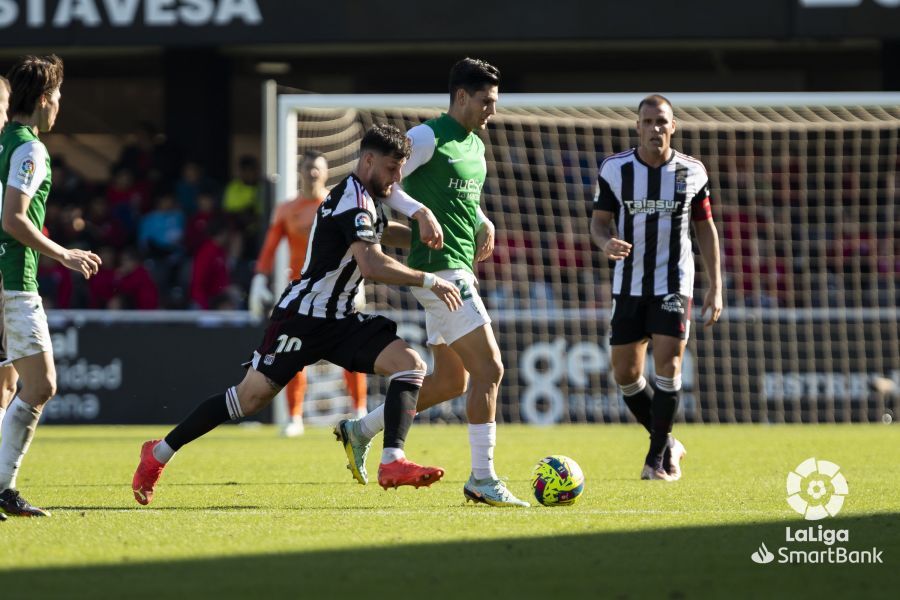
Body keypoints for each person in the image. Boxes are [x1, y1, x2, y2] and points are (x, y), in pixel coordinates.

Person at [132, 124, 459, 505]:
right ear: (368, 160)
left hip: (339, 318)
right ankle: (157, 454)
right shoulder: (352, 199)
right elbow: (371, 264)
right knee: (248, 399)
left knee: (410, 365)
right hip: (302, 317)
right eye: (391, 168)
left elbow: (386, 235)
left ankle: (393, 460)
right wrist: (429, 280)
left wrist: (432, 232)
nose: (397, 178)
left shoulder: (367, 200)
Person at [334, 58, 530, 508]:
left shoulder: (476, 145)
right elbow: (387, 185)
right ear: (461, 96)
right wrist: (418, 212)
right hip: (440, 271)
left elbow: (461, 197)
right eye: (486, 102)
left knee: (450, 383)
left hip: (459, 264)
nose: (491, 111)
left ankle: (358, 430)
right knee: (491, 369)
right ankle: (483, 478)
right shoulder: (426, 136)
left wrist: (483, 219)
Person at [589, 94, 723, 481]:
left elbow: (705, 228)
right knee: (625, 375)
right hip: (628, 285)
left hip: (673, 283)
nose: (655, 129)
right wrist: (604, 242)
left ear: (673, 127)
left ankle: (655, 460)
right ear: (637, 127)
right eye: (647, 122)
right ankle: (669, 443)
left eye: (661, 122)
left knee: (669, 362)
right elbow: (598, 223)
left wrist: (716, 286)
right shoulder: (615, 169)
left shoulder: (692, 172)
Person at [0, 55, 102, 517]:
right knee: (41, 386)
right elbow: (14, 218)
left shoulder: (3, 142)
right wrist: (65, 254)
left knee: (7, 386)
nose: (59, 106)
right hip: (13, 282)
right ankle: (3, 487)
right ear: (43, 99)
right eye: (58, 97)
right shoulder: (29, 149)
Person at [249, 150, 368, 437]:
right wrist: (258, 280)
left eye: (318, 168)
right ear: (299, 171)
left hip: (338, 290)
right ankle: (294, 417)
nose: (313, 173)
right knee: (293, 353)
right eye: (308, 168)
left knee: (352, 350)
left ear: (326, 172)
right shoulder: (286, 209)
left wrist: (360, 283)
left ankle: (361, 410)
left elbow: (357, 246)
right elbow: (269, 247)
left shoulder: (338, 203)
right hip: (301, 292)